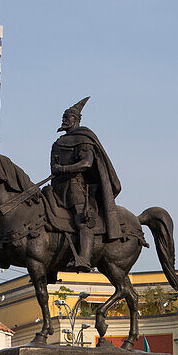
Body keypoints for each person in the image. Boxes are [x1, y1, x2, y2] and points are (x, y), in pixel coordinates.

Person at [49, 97, 123, 271]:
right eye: (63, 117)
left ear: (76, 120)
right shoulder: (57, 143)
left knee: (82, 221)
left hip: (76, 187)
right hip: (57, 186)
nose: (64, 120)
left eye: (68, 117)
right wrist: (57, 169)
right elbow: (53, 166)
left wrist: (64, 169)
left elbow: (86, 163)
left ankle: (83, 258)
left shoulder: (83, 139)